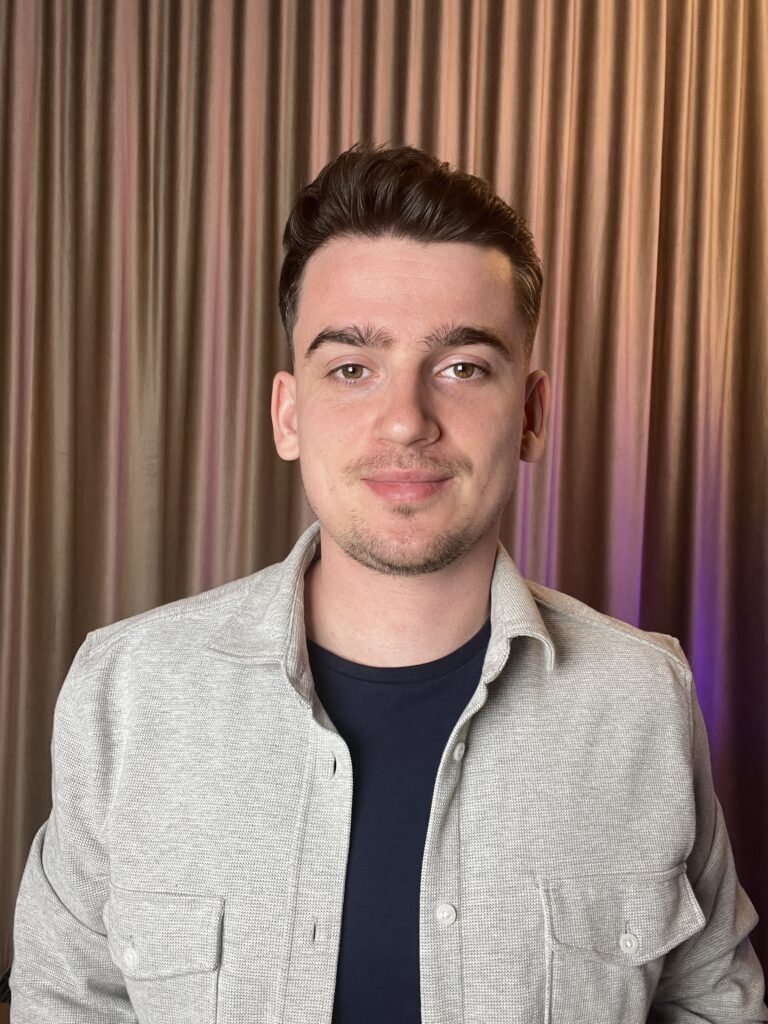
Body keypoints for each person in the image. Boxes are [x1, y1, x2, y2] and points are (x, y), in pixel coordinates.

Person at [11, 145, 767, 1024]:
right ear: (289, 415)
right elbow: (65, 1004)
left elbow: (713, 1004)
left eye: (462, 367)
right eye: (351, 369)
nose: (406, 420)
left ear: (530, 415)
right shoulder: (125, 691)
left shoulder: (645, 698)